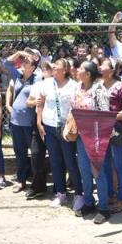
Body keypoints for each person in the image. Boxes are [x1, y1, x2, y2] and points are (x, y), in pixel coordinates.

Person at [30, 58, 82, 211]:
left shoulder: (73, 86)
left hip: (65, 128)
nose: (53, 67)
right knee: (55, 161)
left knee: (70, 161)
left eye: (56, 65)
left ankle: (79, 194)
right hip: (49, 127)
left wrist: (70, 126)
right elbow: (40, 102)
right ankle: (61, 193)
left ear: (65, 69)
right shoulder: (47, 83)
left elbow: (76, 107)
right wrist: (39, 123)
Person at [98, 57, 122, 219]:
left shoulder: (121, 87)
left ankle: (121, 198)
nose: (100, 66)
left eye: (103, 64)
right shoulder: (97, 86)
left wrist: (110, 118)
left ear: (111, 70)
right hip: (101, 131)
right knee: (105, 165)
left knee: (119, 165)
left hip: (118, 132)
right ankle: (110, 195)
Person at [5, 50, 41, 194]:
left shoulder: (38, 79)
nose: (24, 62)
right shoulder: (17, 76)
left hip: (30, 124)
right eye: (24, 61)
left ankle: (36, 182)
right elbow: (7, 62)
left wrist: (35, 57)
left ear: (33, 67)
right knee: (19, 153)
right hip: (15, 123)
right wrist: (20, 52)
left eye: (28, 62)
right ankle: (21, 180)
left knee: (35, 154)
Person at [72, 60, 104, 218]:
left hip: (95, 136)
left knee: (98, 171)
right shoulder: (77, 87)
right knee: (84, 170)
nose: (77, 70)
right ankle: (89, 202)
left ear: (89, 74)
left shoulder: (98, 89)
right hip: (80, 135)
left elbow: (104, 112)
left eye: (81, 69)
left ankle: (103, 208)